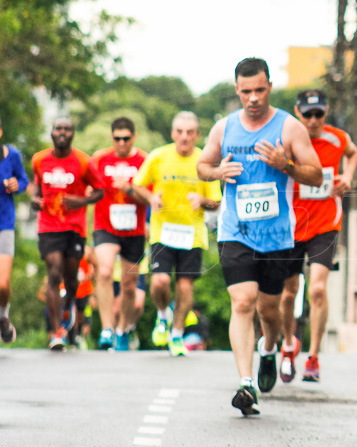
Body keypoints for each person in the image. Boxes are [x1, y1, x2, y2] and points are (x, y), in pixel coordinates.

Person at [197, 58, 321, 416]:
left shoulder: (290, 127)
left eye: (260, 90)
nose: (253, 98)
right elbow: (202, 166)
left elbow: (315, 176)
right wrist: (217, 170)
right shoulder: (224, 129)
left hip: (278, 236)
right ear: (237, 90)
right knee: (242, 302)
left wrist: (287, 165)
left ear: (269, 88)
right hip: (235, 229)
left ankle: (269, 348)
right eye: (246, 91)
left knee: (269, 308)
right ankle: (246, 383)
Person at [279, 89, 357, 384]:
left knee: (317, 290)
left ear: (325, 113)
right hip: (291, 224)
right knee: (288, 292)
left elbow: (353, 153)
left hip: (326, 223)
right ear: (298, 113)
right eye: (307, 114)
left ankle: (313, 357)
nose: (313, 120)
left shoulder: (337, 138)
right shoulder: (289, 140)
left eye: (318, 114)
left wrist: (347, 177)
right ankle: (289, 344)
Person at [130, 111, 221, 358]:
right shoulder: (159, 156)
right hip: (163, 232)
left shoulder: (204, 160)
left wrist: (202, 200)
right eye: (180, 132)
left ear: (197, 135)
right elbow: (136, 184)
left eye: (190, 132)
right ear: (173, 133)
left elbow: (216, 201)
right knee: (160, 281)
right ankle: (162, 316)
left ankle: (177, 335)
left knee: (184, 287)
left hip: (192, 234)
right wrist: (150, 197)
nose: (184, 137)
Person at [30, 117, 103, 351]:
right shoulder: (39, 160)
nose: (62, 132)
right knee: (53, 272)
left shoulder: (84, 161)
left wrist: (81, 200)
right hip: (49, 226)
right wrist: (35, 202)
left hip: (75, 227)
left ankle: (68, 304)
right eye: (58, 128)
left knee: (71, 279)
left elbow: (100, 192)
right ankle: (56, 332)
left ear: (73, 134)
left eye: (67, 129)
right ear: (51, 133)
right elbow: (37, 191)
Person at [90, 117, 148, 351]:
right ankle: (107, 329)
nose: (121, 142)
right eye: (117, 138)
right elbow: (90, 188)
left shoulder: (144, 160)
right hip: (106, 225)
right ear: (112, 137)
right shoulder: (100, 158)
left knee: (129, 286)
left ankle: (123, 328)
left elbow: (151, 198)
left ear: (133, 137)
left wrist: (129, 189)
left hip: (134, 229)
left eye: (126, 138)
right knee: (104, 270)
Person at [0, 117, 29, 344]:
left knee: (2, 283)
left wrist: (17, 185)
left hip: (4, 225)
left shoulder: (12, 155)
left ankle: (2, 316)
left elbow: (24, 180)